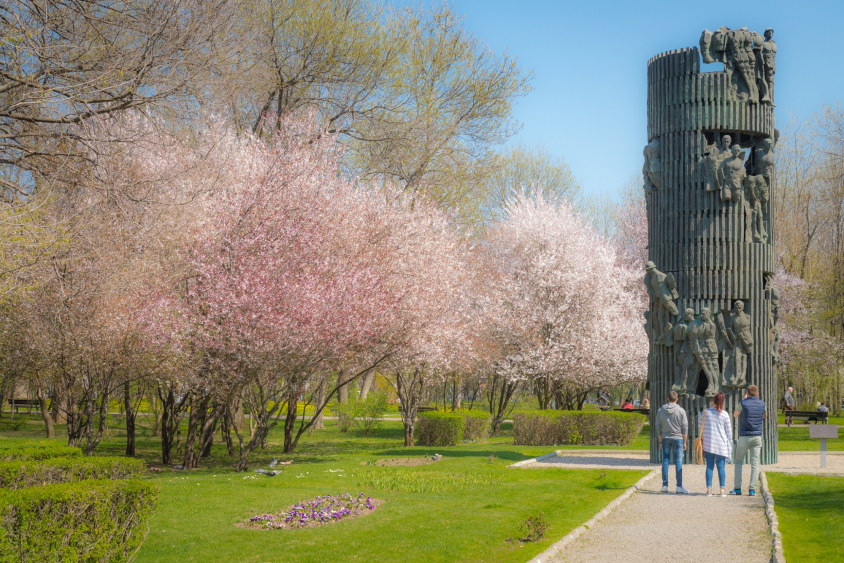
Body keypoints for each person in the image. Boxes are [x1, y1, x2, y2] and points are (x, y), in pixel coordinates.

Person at [730, 385, 767, 496]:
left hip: (745, 436)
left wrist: (744, 400)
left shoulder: (743, 403)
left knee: (738, 461)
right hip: (757, 436)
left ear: (747, 393)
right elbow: (765, 415)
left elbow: (735, 414)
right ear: (757, 394)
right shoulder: (762, 404)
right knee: (755, 463)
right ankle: (752, 489)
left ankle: (737, 488)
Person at [655, 391, 689, 494]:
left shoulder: (661, 410)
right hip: (678, 437)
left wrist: (660, 441)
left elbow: (658, 426)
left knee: (665, 461)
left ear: (667, 398)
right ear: (677, 399)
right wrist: (685, 441)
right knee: (678, 462)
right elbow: (685, 427)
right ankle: (679, 486)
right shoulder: (681, 411)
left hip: (665, 437)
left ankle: (665, 485)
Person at [700, 391, 732, 497]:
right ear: (723, 402)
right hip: (721, 445)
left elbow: (700, 427)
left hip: (708, 444)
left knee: (709, 467)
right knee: (721, 467)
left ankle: (709, 490)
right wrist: (730, 444)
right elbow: (729, 432)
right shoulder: (725, 415)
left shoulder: (706, 412)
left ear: (713, 400)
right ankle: (722, 490)